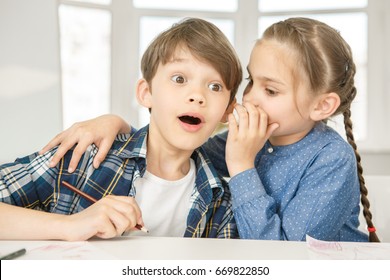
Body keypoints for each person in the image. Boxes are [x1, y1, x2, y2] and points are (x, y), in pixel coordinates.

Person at [40, 17, 379, 242]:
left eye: (271, 90)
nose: (251, 98)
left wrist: (243, 165)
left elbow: (282, 258)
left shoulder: (332, 159)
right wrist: (118, 125)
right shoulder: (251, 138)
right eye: (251, 81)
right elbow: (180, 143)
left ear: (323, 106)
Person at [0, 18, 243, 241]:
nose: (197, 96)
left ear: (227, 110)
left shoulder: (222, 203)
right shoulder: (85, 157)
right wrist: (69, 226)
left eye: (215, 86)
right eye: (179, 79)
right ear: (146, 93)